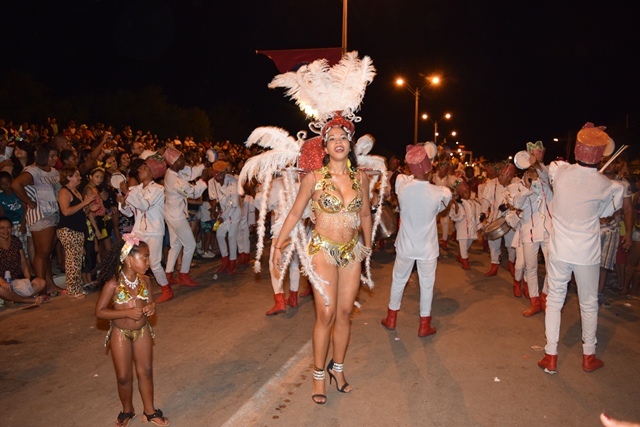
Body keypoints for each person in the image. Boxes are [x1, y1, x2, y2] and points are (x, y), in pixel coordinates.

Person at [273, 118, 373, 404]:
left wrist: (367, 250)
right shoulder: (314, 178)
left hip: (352, 250)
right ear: (325, 147)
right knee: (326, 314)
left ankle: (337, 370)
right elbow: (294, 214)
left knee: (344, 314)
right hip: (322, 249)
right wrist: (278, 245)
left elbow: (365, 214)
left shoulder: (361, 178)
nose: (339, 141)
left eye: (344, 137)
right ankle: (318, 376)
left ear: (350, 144)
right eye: (332, 138)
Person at [538, 123, 625, 375]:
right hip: (587, 252)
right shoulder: (608, 185)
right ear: (600, 154)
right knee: (588, 303)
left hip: (559, 250)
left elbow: (553, 172)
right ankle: (588, 356)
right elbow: (606, 214)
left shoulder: (561, 171)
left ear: (577, 148)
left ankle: (550, 355)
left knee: (555, 300)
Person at [94, 235, 169, 427]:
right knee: (123, 376)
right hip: (121, 334)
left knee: (146, 371)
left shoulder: (145, 281)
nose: (147, 262)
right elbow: (100, 311)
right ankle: (127, 410)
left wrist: (151, 308)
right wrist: (126, 312)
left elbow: (150, 303)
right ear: (128, 259)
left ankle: (150, 412)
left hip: (142, 331)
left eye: (148, 257)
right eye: (144, 257)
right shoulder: (113, 284)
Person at [381, 144, 452, 334]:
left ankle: (391, 318)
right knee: (427, 285)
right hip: (427, 248)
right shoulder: (440, 192)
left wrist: (415, 166)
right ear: (429, 168)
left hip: (405, 245)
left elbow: (405, 178)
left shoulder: (402, 187)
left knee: (398, 280)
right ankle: (424, 325)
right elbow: (444, 204)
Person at [11, 144, 61, 295]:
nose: (54, 159)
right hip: (40, 216)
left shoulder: (53, 171)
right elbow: (16, 184)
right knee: (42, 252)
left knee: (47, 253)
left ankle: (50, 285)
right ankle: (41, 289)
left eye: (55, 156)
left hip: (53, 213)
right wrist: (29, 201)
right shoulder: (32, 170)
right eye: (51, 156)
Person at [119, 159, 171, 302]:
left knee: (154, 263)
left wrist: (126, 193)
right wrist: (123, 203)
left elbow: (144, 205)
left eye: (144, 168)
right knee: (129, 259)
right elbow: (129, 213)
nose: (140, 171)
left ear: (152, 172)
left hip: (154, 230)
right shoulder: (135, 190)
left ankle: (166, 289)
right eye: (140, 168)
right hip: (138, 231)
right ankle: (133, 290)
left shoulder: (159, 189)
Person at [163, 147, 211, 286]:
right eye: (181, 159)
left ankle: (169, 274)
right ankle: (184, 274)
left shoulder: (173, 172)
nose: (184, 161)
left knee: (176, 245)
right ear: (175, 162)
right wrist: (203, 180)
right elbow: (194, 193)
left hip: (171, 214)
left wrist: (204, 165)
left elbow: (190, 173)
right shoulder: (175, 181)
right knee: (190, 244)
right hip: (176, 216)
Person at [56, 167, 96, 298]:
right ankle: (73, 290)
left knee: (78, 260)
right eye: (77, 175)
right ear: (68, 177)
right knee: (72, 260)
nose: (80, 177)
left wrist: (89, 208)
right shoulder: (64, 191)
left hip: (78, 229)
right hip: (68, 229)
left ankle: (77, 287)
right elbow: (66, 211)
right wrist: (84, 202)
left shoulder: (76, 192)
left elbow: (81, 212)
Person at [0, 216, 46, 304]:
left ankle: (13, 298)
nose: (6, 230)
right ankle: (27, 300)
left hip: (18, 277)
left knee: (41, 282)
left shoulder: (15, 240)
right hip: (3, 280)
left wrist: (27, 277)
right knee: (1, 290)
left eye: (8, 227)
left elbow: (23, 261)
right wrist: (2, 282)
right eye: (2, 228)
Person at [208, 160, 241, 274]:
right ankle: (224, 261)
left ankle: (232, 263)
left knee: (232, 237)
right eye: (216, 174)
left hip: (234, 213)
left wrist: (222, 217)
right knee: (219, 234)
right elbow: (213, 199)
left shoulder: (233, 182)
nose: (218, 177)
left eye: (220, 174)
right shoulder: (211, 182)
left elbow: (233, 204)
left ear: (224, 172)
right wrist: (214, 210)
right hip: (222, 213)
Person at [449, 180, 483, 270]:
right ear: (461, 194)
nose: (466, 194)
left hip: (472, 229)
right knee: (463, 245)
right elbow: (457, 215)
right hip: (463, 229)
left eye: (468, 191)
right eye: (464, 192)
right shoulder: (460, 204)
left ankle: (461, 256)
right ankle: (465, 261)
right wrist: (456, 204)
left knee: (467, 245)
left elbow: (477, 216)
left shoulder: (475, 204)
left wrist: (479, 227)